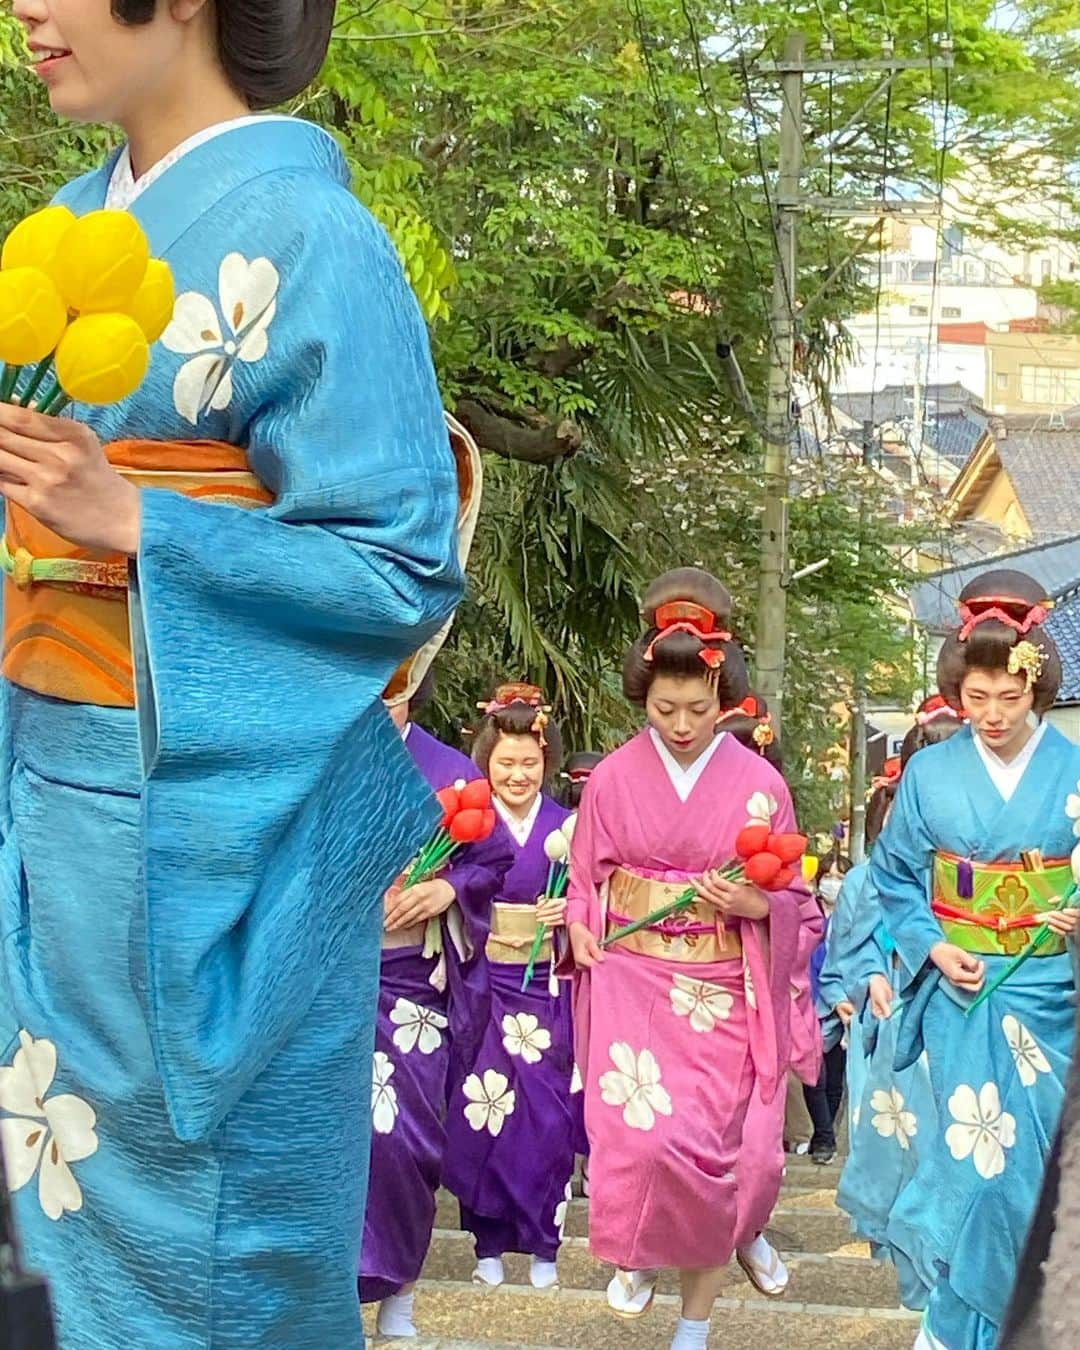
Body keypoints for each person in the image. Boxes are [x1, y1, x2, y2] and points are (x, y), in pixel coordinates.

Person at [0, 3, 463, 1345]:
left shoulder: (317, 238)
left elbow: (399, 566)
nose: (29, 7)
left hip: (206, 851)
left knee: (215, 1274)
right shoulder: (58, 230)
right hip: (45, 831)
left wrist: (148, 523)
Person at [564, 568, 816, 1350]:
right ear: (642, 700)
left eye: (699, 710)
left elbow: (795, 902)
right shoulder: (610, 778)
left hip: (721, 986)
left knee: (710, 1152)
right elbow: (584, 880)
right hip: (633, 974)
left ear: (728, 704)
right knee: (637, 1138)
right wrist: (579, 924)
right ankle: (638, 1252)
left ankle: (696, 1320)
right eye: (663, 708)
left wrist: (755, 907)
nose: (680, 724)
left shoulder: (760, 784)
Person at [870, 570, 1080, 1350]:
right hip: (964, 992)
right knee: (972, 1160)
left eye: (1009, 697)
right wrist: (932, 943)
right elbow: (894, 874)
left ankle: (1023, 1327)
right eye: (976, 697)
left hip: (1049, 987)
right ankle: (956, 1326)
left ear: (1037, 689)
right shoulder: (929, 773)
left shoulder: (1073, 772)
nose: (991, 715)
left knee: (1035, 1180)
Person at [358, 673, 514, 1340]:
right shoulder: (319, 750)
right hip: (325, 975)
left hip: (408, 979)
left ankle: (400, 1288)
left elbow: (493, 861)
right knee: (326, 1133)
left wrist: (450, 889)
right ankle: (326, 1287)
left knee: (403, 1139)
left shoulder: (450, 772)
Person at [830, 697, 964, 1308]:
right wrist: (866, 981)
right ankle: (928, 1292)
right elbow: (847, 952)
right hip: (899, 1035)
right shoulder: (871, 874)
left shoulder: (996, 858)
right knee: (913, 1157)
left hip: (978, 1021)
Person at [442, 684, 575, 1292]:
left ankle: (543, 1240)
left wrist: (570, 912)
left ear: (546, 763)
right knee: (482, 1112)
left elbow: (601, 897)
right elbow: (454, 885)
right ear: (485, 762)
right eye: (506, 763)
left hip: (545, 982)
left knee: (546, 1117)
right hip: (484, 981)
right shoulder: (468, 823)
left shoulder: (569, 826)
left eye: (530, 763)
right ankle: (487, 1240)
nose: (518, 775)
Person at [724, 691, 822, 1298]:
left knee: (759, 1151)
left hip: (755, 999)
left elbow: (807, 921)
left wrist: (764, 906)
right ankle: (646, 1246)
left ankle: (749, 1229)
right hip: (673, 994)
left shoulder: (779, 841)